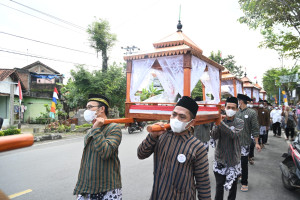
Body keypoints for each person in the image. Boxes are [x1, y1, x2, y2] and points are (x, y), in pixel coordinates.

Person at [137, 96, 211, 200]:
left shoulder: (197, 147)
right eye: (174, 114)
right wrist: (152, 136)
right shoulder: (161, 136)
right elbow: (141, 154)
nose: (176, 119)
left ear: (192, 122)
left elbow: (203, 183)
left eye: (182, 117)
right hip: (158, 195)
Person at [74, 94, 122, 200]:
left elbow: (106, 152)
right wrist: (81, 187)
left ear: (102, 109)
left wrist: (96, 129)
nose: (87, 110)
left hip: (107, 188)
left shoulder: (114, 128)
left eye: (90, 107)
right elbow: (87, 160)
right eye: (87, 107)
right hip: (87, 187)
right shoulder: (90, 130)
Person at [211, 97, 244, 200]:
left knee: (232, 187)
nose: (230, 110)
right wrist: (217, 124)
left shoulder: (240, 122)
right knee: (219, 186)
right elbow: (214, 136)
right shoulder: (219, 121)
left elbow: (233, 135)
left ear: (237, 109)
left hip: (233, 160)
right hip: (220, 159)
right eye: (228, 107)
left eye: (233, 108)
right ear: (224, 108)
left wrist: (220, 122)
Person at [235, 94, 261, 192]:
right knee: (236, 162)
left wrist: (257, 142)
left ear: (240, 101)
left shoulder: (251, 112)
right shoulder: (236, 112)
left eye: (238, 101)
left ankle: (244, 182)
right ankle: (239, 176)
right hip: (235, 143)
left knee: (244, 163)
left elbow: (255, 128)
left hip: (245, 143)